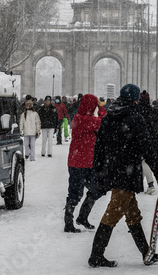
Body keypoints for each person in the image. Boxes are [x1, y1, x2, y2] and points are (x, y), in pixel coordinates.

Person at [89, 84, 158, 268]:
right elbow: (147, 147)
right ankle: (96, 255)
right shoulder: (134, 118)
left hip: (113, 170)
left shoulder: (108, 117)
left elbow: (99, 147)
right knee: (112, 214)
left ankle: (147, 253)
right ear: (135, 99)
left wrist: (99, 171)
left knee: (133, 215)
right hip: (127, 172)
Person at [64, 94, 106, 233]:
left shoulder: (79, 117)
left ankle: (82, 217)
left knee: (97, 189)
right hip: (80, 163)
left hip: (85, 162)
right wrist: (101, 109)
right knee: (76, 193)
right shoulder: (83, 119)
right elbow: (102, 121)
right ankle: (69, 222)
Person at [137, 90, 158, 195]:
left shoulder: (137, 111)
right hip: (154, 140)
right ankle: (146, 184)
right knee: (148, 162)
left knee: (143, 162)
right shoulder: (155, 111)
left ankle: (149, 184)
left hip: (141, 140)